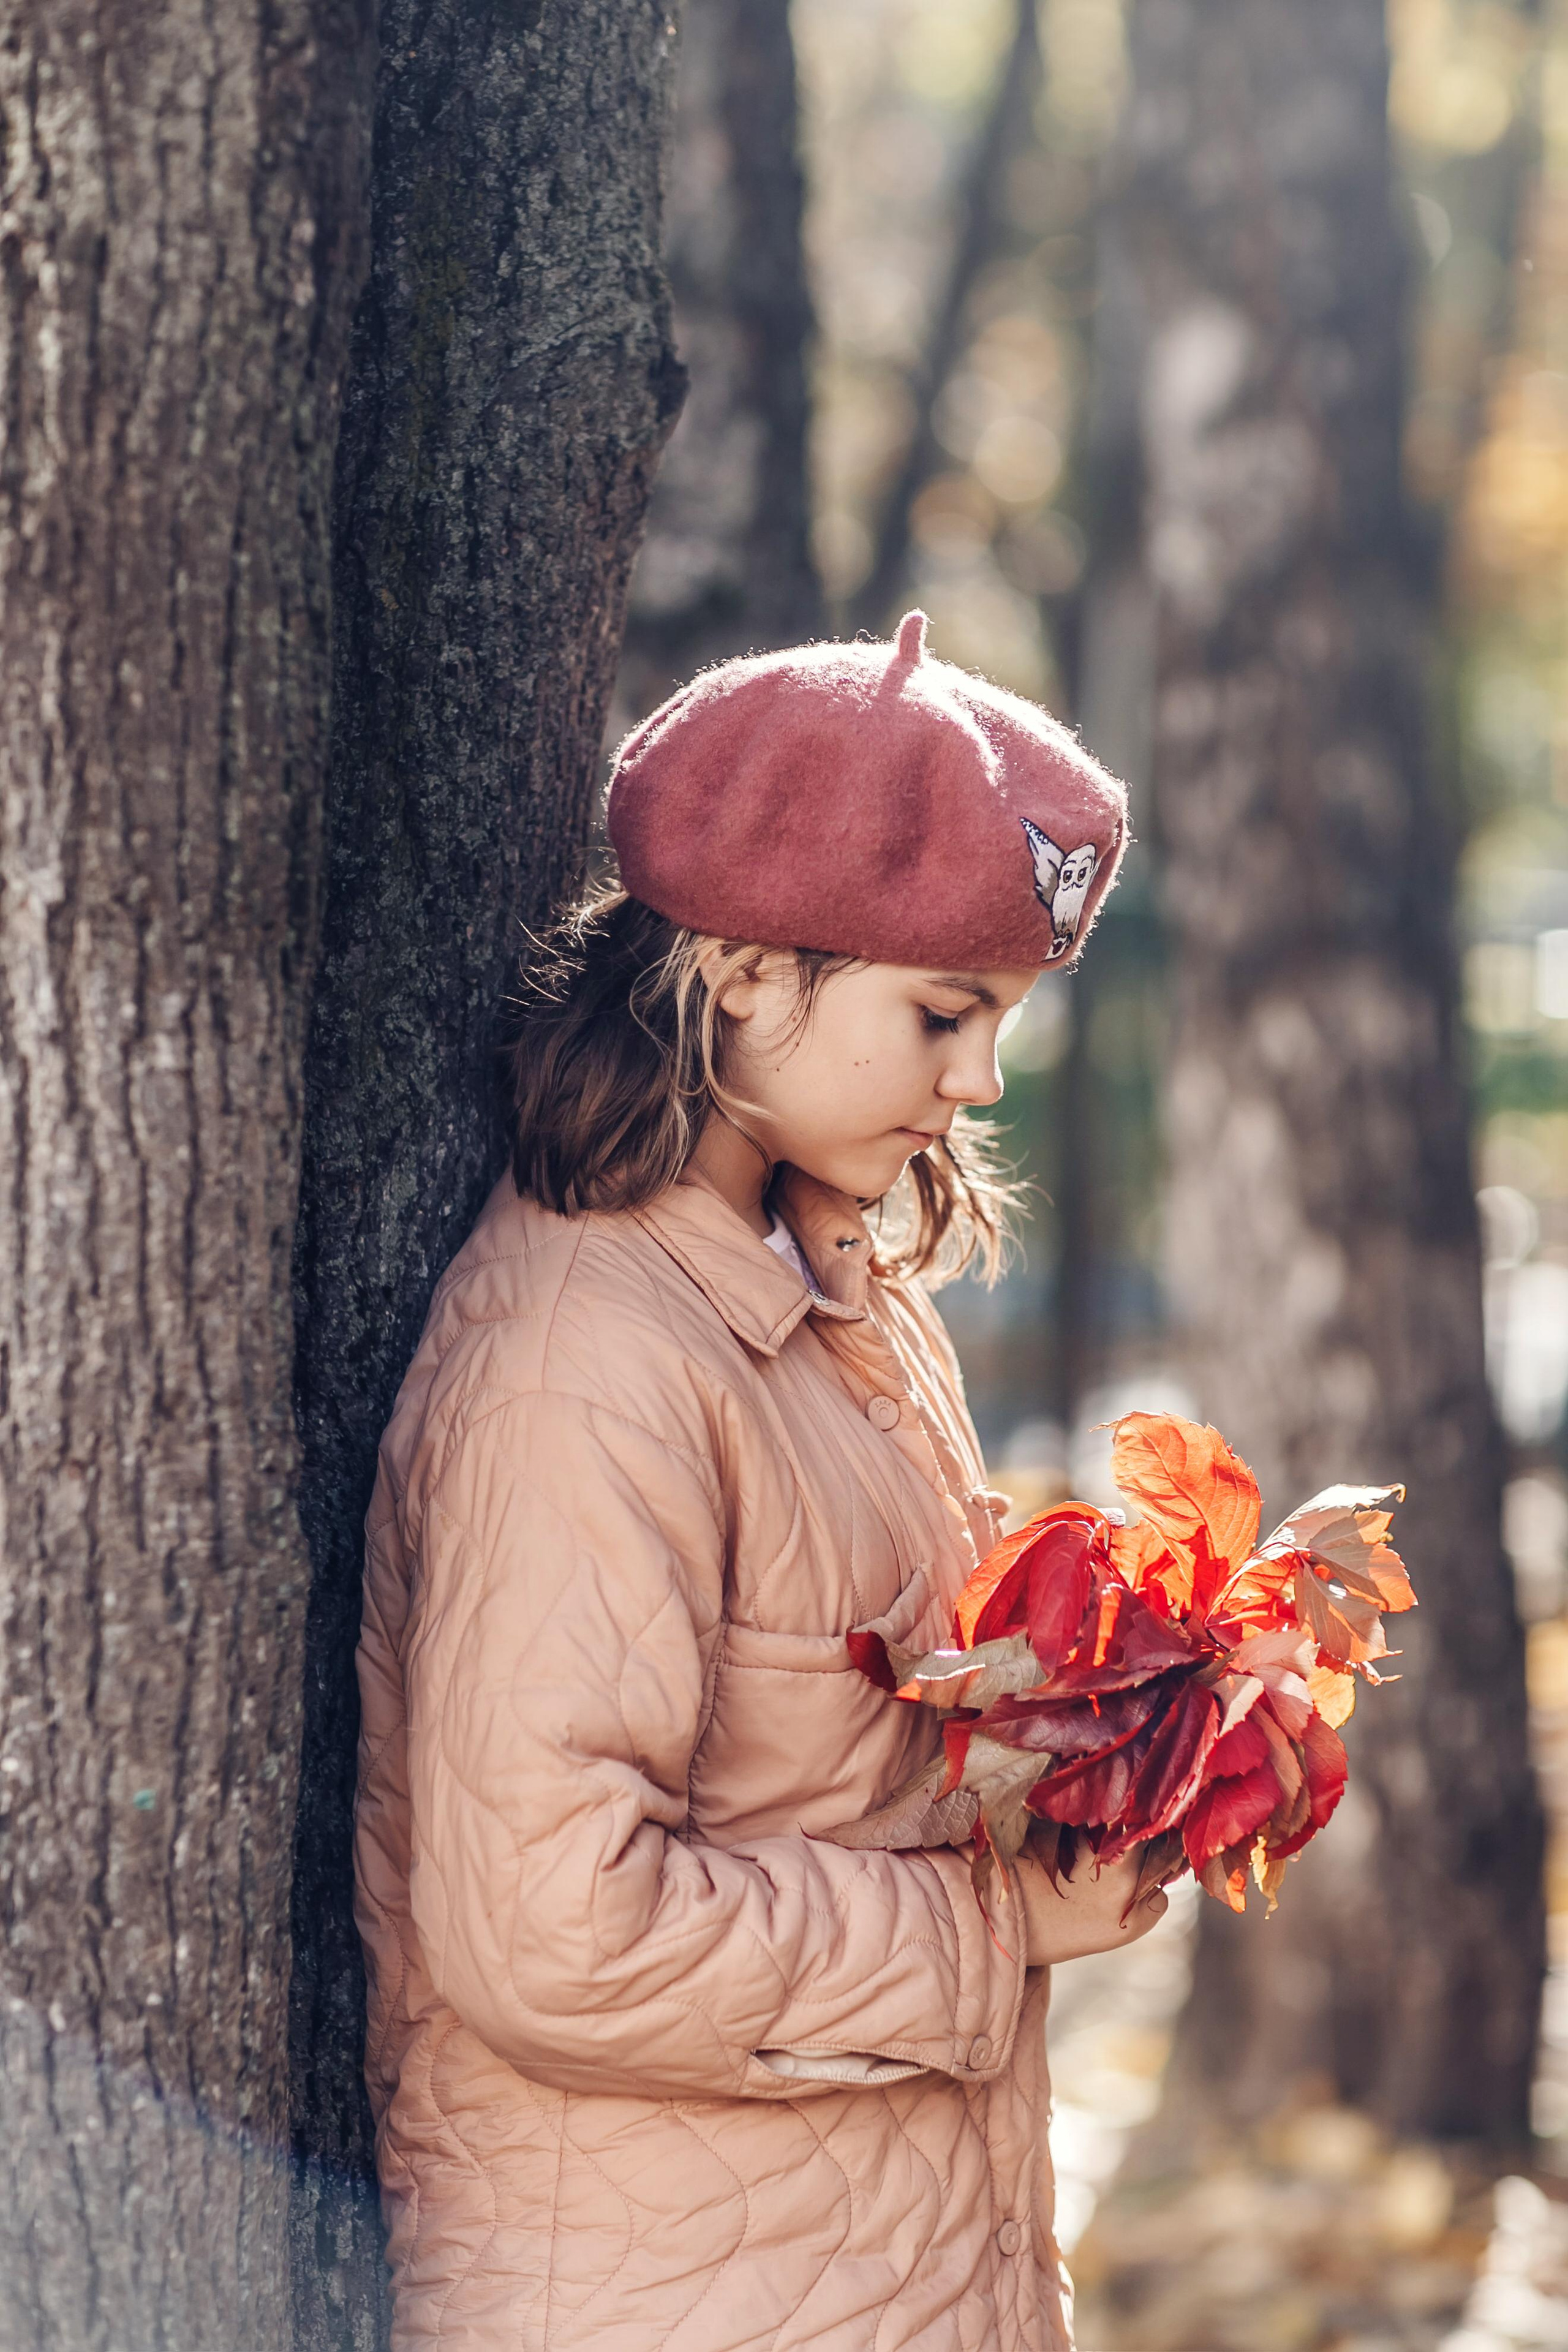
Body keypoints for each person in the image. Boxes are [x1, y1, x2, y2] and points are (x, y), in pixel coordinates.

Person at [353, 611, 1167, 2352]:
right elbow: (557, 1931)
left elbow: (843, 1771)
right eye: (944, 1013)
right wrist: (996, 1926)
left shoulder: (842, 1304)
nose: (981, 1080)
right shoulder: (585, 1364)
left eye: (1002, 1019)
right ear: (738, 968)